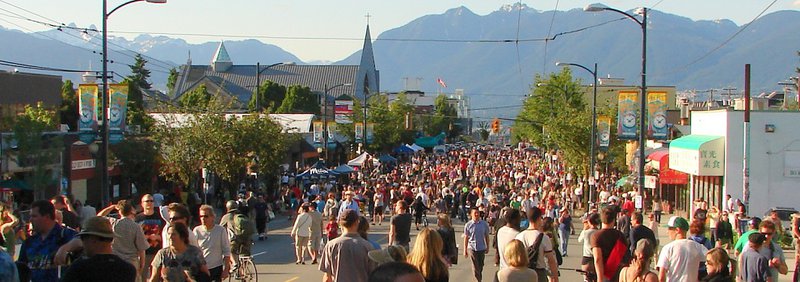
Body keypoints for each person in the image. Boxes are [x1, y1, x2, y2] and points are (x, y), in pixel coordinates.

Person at [61, 216, 137, 282]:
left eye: (82, 238)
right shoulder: (128, 270)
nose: (82, 243)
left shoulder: (80, 268)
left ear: (93, 239)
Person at [18, 200, 78, 282]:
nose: (30, 220)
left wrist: (65, 248)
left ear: (47, 217)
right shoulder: (29, 242)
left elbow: (82, 240)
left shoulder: (64, 235)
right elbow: (21, 269)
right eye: (30, 216)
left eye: (34, 216)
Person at [319, 209, 376, 282]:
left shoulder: (331, 245)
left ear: (340, 223)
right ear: (356, 223)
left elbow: (327, 277)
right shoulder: (367, 246)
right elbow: (373, 274)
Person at [97, 200, 149, 281]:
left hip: (115, 261)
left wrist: (112, 207)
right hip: (131, 263)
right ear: (130, 211)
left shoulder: (113, 223)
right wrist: (141, 265)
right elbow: (142, 249)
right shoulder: (136, 227)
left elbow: (99, 217)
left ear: (119, 211)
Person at [656, 216, 708, 282]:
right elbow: (712, 258)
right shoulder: (697, 246)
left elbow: (661, 276)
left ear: (677, 230)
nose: (667, 232)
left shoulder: (668, 248)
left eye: (669, 229)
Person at [516, 207, 559, 282]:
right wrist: (555, 277)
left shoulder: (519, 236)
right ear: (539, 218)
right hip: (539, 273)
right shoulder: (544, 238)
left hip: (523, 272)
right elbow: (551, 260)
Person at [192, 205, 231, 282]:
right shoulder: (197, 230)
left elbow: (226, 251)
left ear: (212, 217)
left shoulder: (220, 230)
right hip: (201, 268)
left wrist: (226, 269)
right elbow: (193, 250)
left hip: (216, 268)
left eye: (206, 216)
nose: (203, 218)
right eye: (201, 216)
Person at [136, 194, 167, 280]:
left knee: (157, 277)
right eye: (147, 201)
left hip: (157, 252)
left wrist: (157, 237)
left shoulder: (160, 217)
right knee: (142, 277)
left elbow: (165, 234)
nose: (149, 203)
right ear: (142, 204)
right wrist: (146, 237)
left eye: (151, 201)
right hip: (143, 253)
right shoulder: (138, 218)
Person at [220, 200, 255, 267]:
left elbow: (220, 228)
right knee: (245, 255)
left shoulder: (226, 217)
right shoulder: (242, 215)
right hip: (247, 238)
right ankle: (244, 272)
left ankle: (234, 263)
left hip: (235, 238)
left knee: (230, 250)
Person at [464, 208, 491, 282]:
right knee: (475, 266)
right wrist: (465, 250)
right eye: (475, 213)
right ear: (471, 215)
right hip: (472, 248)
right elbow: (466, 238)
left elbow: (486, 236)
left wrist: (487, 247)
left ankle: (478, 279)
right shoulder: (468, 225)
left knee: (480, 266)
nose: (476, 214)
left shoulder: (484, 224)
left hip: (481, 247)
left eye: (478, 213)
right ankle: (478, 280)